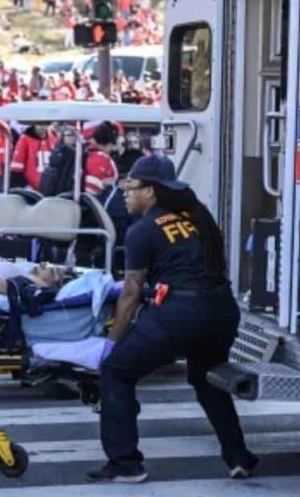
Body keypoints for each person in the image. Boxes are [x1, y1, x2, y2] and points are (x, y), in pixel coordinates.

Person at [88, 155, 258, 484]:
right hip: (222, 311)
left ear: (150, 191)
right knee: (207, 378)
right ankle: (239, 458)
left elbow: (131, 293)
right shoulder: (200, 216)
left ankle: (126, 464)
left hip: (180, 313)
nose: (125, 193)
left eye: (130, 187)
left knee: (117, 373)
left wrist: (113, 343)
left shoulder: (143, 230)